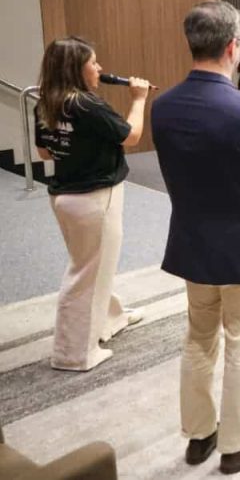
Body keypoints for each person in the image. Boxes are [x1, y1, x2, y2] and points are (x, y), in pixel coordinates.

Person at [151, 1, 240, 472]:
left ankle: (199, 434)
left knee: (199, 338)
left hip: (193, 242)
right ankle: (236, 444)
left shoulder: (163, 106)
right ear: (233, 47)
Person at [34, 37, 150, 371]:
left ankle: (109, 317)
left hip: (64, 196)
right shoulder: (88, 105)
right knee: (86, 271)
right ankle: (74, 353)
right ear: (76, 68)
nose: (99, 68)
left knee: (92, 263)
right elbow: (131, 136)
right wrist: (139, 99)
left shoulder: (46, 102)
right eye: (94, 62)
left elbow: (45, 152)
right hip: (95, 197)